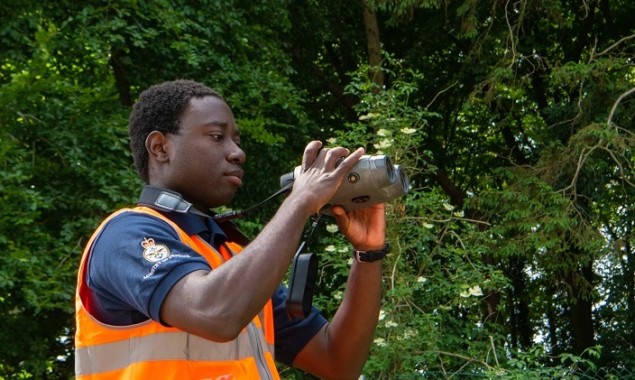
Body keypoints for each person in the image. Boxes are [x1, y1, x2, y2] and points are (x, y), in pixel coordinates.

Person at [74, 79, 387, 379]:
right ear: (160, 148)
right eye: (216, 136)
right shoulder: (124, 235)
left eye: (236, 139)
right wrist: (301, 201)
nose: (238, 152)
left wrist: (368, 254)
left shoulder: (231, 256)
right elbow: (214, 313)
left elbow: (337, 361)